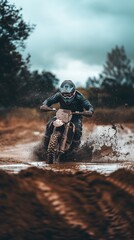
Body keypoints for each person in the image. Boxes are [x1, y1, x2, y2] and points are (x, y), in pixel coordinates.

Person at [40, 80, 94, 152]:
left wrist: (90, 110)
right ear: (61, 93)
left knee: (77, 130)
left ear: (73, 92)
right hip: (62, 114)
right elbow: (49, 100)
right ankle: (45, 144)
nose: (66, 96)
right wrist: (45, 105)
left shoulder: (79, 97)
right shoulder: (58, 95)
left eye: (68, 94)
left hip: (76, 115)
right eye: (64, 94)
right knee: (49, 124)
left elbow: (88, 105)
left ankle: (75, 150)